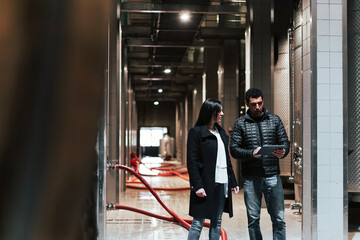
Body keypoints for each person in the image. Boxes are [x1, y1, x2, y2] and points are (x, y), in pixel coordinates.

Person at [229, 88, 290, 240]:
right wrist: (251, 153)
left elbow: (285, 143)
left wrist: (284, 151)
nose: (257, 107)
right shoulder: (240, 124)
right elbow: (234, 150)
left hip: (272, 176)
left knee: (279, 219)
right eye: (253, 104)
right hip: (251, 178)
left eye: (260, 103)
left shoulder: (274, 120)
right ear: (247, 104)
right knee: (253, 219)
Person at [187, 99, 240, 240]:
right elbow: (192, 162)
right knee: (198, 223)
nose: (222, 114)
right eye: (219, 111)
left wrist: (233, 181)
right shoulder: (196, 132)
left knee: (216, 222)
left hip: (222, 183)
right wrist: (197, 186)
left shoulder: (221, 133)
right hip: (205, 184)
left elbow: (226, 160)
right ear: (211, 112)